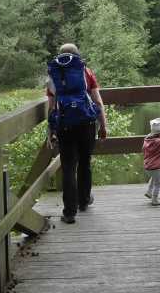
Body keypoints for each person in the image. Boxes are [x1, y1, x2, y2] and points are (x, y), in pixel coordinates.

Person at [46, 43, 108, 224]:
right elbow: (97, 101)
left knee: (67, 167)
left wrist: (50, 131)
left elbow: (51, 107)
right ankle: (84, 200)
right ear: (77, 55)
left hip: (65, 125)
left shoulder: (54, 75)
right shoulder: (85, 71)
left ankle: (69, 212)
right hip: (87, 123)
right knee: (84, 162)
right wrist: (103, 125)